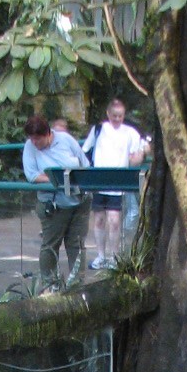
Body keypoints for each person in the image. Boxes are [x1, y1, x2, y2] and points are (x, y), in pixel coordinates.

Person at [22, 114, 91, 289]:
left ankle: (77, 286)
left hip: (78, 201)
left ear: (48, 134)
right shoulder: (30, 147)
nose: (34, 143)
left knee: (76, 244)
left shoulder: (65, 140)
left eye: (38, 139)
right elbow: (32, 175)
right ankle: (50, 285)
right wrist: (58, 179)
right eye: (32, 139)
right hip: (53, 204)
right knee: (51, 245)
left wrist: (70, 180)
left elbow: (84, 164)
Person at [82, 98, 150, 268]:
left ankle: (114, 257)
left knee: (114, 221)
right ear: (108, 114)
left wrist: (142, 152)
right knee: (99, 219)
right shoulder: (98, 130)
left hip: (118, 183)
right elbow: (85, 152)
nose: (117, 119)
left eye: (120, 116)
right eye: (114, 115)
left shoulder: (130, 133)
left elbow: (134, 160)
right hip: (99, 181)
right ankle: (100, 256)